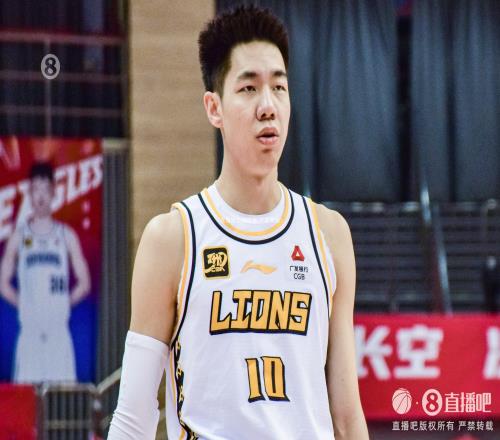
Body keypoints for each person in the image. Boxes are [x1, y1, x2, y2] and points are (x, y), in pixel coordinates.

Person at [109, 5, 369, 439]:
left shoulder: (329, 235)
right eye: (248, 88)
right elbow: (133, 419)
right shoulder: (173, 239)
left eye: (279, 88)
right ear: (214, 108)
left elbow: (346, 416)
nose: (268, 106)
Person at [0, 162, 91, 382]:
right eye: (35, 190)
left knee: (60, 398)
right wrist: (25, 304)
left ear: (53, 192)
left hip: (58, 333)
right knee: (28, 398)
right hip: (30, 334)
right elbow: (3, 283)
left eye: (45, 190)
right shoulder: (19, 237)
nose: (40, 196)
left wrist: (64, 303)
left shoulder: (66, 235)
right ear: (30, 193)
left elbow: (85, 283)